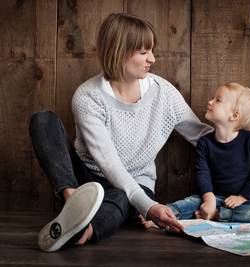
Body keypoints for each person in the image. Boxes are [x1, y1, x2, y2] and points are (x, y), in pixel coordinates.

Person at [29, 13, 213, 252]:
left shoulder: (163, 93)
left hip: (135, 185)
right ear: (120, 51)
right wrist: (150, 208)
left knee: (119, 197)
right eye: (143, 52)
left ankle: (83, 230)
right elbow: (109, 163)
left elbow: (202, 136)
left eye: (151, 51)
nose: (152, 59)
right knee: (43, 120)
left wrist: (246, 162)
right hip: (86, 179)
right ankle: (73, 201)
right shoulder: (88, 97)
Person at [150, 82, 250, 224]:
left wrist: (242, 197)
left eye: (217, 100)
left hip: (241, 202)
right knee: (189, 202)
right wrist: (209, 198)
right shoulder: (205, 143)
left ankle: (216, 215)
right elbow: (203, 173)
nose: (210, 102)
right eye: (213, 98)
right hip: (213, 197)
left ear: (234, 115)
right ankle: (157, 216)